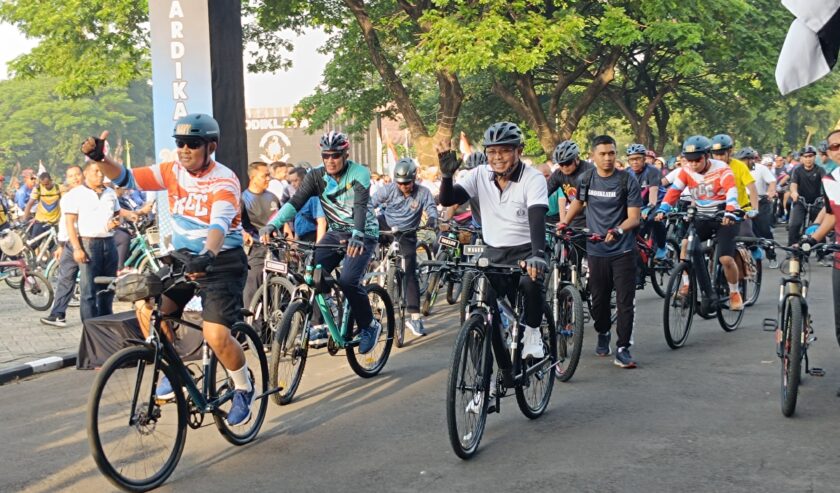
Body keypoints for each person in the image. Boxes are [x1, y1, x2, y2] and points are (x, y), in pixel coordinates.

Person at [81, 113, 255, 426]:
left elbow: (218, 223)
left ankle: (243, 387)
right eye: (180, 143)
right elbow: (126, 178)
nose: (184, 149)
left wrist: (209, 254)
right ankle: (175, 368)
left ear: (211, 146)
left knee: (216, 336)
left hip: (222, 261)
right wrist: (101, 158)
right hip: (184, 258)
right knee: (147, 307)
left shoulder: (224, 179)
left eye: (193, 143)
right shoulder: (171, 171)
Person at [437, 121, 549, 374]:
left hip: (526, 250)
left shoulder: (533, 179)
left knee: (531, 283)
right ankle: (481, 379)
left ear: (519, 150)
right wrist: (446, 176)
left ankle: (532, 333)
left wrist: (538, 256)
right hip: (493, 252)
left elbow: (537, 217)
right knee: (481, 308)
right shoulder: (478, 175)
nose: (497, 158)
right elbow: (448, 199)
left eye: (505, 151)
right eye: (492, 151)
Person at [259, 131, 383, 354]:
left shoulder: (359, 173)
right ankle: (332, 307)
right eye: (326, 156)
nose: (330, 161)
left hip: (363, 232)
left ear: (346, 154)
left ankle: (369, 325)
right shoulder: (316, 176)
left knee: (348, 280)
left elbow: (360, 206)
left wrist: (357, 234)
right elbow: (295, 203)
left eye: (335, 155)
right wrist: (273, 224)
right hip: (336, 233)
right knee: (311, 273)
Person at [559, 135, 642, 368]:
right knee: (599, 302)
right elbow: (578, 202)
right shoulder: (587, 178)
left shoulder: (627, 180)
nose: (607, 158)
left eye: (612, 153)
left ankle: (624, 347)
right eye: (603, 154)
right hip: (596, 250)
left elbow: (634, 217)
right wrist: (564, 222)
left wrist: (617, 229)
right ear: (593, 155)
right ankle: (603, 332)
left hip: (623, 250)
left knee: (626, 301)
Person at [656, 135, 744, 311]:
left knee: (725, 258)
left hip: (724, 217)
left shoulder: (722, 169)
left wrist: (730, 211)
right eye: (690, 160)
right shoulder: (686, 170)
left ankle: (734, 292)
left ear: (706, 156)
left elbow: (731, 192)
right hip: (702, 216)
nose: (693, 164)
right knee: (685, 245)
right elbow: (674, 191)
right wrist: (663, 209)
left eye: (697, 160)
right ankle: (687, 285)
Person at [372, 157, 437, 337]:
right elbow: (371, 203)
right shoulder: (388, 189)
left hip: (407, 233)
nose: (403, 186)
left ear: (414, 179)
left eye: (407, 183)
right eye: (400, 183)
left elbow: (431, 207)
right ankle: (372, 278)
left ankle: (415, 317)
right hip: (386, 225)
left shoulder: (423, 192)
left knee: (409, 272)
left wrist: (432, 219)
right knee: (366, 241)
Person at [62, 162, 120, 322]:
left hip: (109, 242)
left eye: (102, 172)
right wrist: (77, 248)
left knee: (108, 288)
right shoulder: (76, 194)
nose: (100, 175)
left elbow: (117, 214)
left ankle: (106, 324)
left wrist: (114, 222)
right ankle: (90, 328)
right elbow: (70, 223)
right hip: (88, 244)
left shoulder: (110, 193)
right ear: (86, 174)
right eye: (96, 171)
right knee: (89, 291)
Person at [40, 165, 84, 327]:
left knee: (88, 283)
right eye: (71, 176)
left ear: (83, 175)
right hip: (70, 244)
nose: (75, 178)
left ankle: (94, 319)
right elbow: (65, 224)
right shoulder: (67, 198)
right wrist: (60, 245)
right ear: (67, 179)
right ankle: (58, 314)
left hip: (87, 241)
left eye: (77, 174)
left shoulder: (91, 195)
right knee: (65, 279)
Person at [241, 161, 281, 308]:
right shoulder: (243, 199)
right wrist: (244, 234)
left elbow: (283, 224)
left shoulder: (273, 198)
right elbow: (235, 223)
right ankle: (251, 327)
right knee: (252, 291)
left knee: (278, 293)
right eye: (265, 175)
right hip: (256, 251)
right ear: (253, 177)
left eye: (269, 175)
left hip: (276, 249)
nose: (268, 179)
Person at [627, 143, 667, 262]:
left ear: (644, 159)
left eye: (638, 159)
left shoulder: (652, 171)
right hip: (637, 204)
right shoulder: (627, 172)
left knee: (653, 218)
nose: (635, 162)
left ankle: (661, 247)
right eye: (631, 159)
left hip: (656, 201)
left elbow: (653, 197)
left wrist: (647, 208)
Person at [546, 140, 595, 228]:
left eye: (568, 163)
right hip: (575, 217)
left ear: (576, 159)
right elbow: (544, 193)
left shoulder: (590, 170)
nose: (564, 167)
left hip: (593, 217)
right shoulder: (558, 174)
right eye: (561, 164)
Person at [788, 145, 826, 246]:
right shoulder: (797, 170)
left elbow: (826, 184)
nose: (808, 159)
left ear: (814, 157)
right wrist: (794, 193)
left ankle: (821, 250)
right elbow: (793, 185)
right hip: (800, 201)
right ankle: (792, 248)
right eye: (805, 156)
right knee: (794, 225)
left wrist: (824, 197)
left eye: (810, 156)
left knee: (820, 227)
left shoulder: (820, 170)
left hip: (817, 202)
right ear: (801, 158)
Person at [284, 167, 327, 242]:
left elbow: (322, 223)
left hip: (313, 237)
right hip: (302, 239)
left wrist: (318, 247)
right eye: (291, 182)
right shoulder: (298, 198)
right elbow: (299, 220)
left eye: (295, 180)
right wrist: (295, 242)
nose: (293, 184)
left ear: (304, 179)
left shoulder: (313, 198)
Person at [750, 155, 778, 266]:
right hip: (744, 203)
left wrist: (771, 191)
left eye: (750, 158)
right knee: (746, 232)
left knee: (764, 230)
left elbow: (772, 181)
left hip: (761, 201)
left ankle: (771, 255)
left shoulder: (761, 168)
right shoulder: (736, 168)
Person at [22, 172, 62, 249]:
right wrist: (24, 220)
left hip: (53, 224)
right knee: (33, 245)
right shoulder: (38, 189)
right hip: (40, 222)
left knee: (53, 248)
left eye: (47, 184)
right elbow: (29, 204)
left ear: (51, 180)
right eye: (43, 184)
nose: (45, 186)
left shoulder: (58, 188)